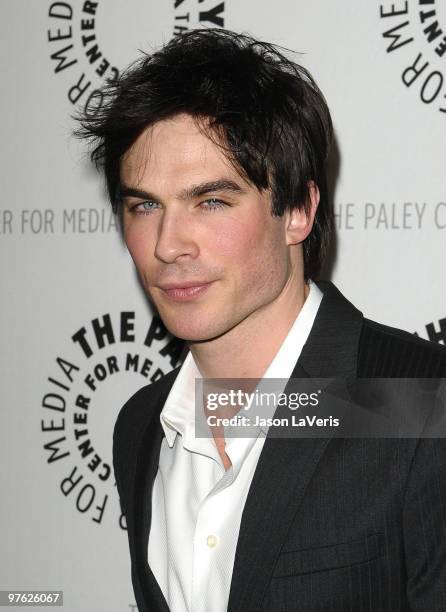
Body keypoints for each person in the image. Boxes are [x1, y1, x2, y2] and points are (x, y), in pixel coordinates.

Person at [76, 28, 446, 612]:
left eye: (211, 201)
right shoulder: (141, 425)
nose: (167, 245)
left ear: (298, 209)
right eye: (144, 205)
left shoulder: (422, 404)